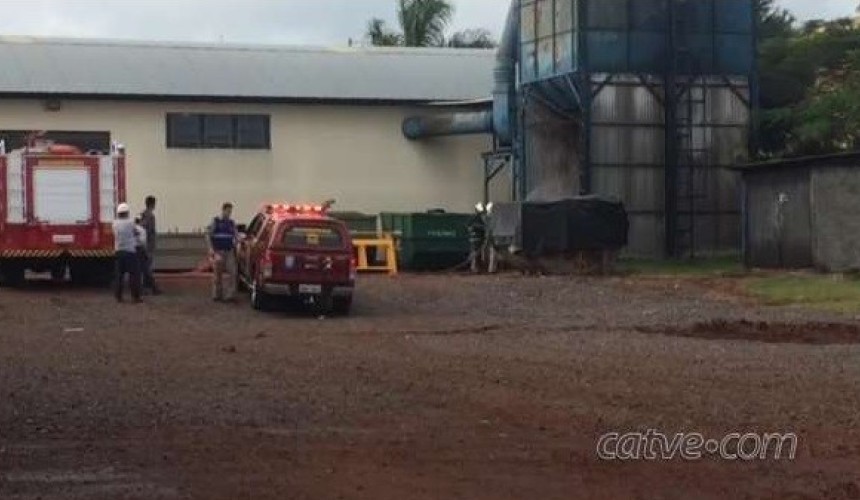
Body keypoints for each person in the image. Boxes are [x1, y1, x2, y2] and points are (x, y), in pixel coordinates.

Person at [206, 202, 238, 302]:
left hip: (229, 251)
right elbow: (208, 235)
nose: (229, 213)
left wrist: (237, 240)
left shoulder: (231, 223)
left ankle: (230, 294)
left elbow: (236, 235)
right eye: (228, 211)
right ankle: (217, 294)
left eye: (230, 212)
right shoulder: (216, 221)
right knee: (217, 274)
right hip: (218, 251)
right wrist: (211, 249)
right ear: (223, 210)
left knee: (233, 272)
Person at [112, 203, 142, 303]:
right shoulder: (130, 223)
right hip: (130, 252)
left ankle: (118, 296)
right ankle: (135, 297)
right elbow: (136, 232)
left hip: (118, 251)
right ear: (126, 213)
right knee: (134, 275)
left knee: (119, 275)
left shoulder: (114, 224)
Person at [139, 196, 161, 295]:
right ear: (152, 204)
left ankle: (146, 287)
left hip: (141, 244)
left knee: (144, 267)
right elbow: (150, 231)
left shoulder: (142, 214)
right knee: (147, 268)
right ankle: (152, 288)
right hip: (148, 245)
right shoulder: (151, 216)